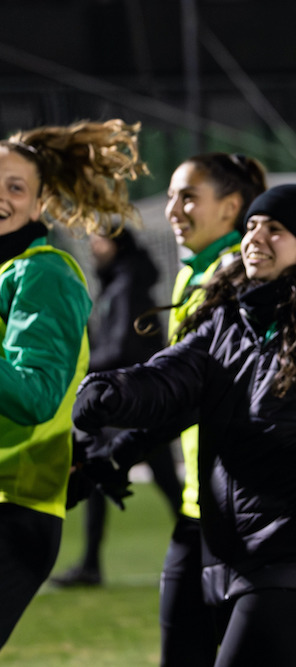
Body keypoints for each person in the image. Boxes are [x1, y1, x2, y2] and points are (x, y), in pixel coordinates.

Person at [72, 180, 296, 667]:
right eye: (251, 226)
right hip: (225, 549)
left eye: (276, 229)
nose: (255, 238)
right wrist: (111, 392)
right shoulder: (226, 319)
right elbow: (169, 380)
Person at [101, 152, 267, 666]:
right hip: (204, 506)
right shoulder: (194, 276)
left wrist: (124, 441)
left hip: (248, 513)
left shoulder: (240, 280)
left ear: (230, 207)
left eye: (188, 195)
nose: (173, 208)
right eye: (172, 195)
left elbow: (194, 393)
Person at [0, 119, 145, 649]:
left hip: (14, 508)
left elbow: (34, 394)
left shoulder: (46, 273)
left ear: (40, 204)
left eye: (15, 187)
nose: (2, 197)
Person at [50, 228, 182, 588]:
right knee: (133, 479)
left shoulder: (127, 287)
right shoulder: (119, 284)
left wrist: (81, 368)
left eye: (100, 239)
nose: (93, 246)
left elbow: (124, 348)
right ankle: (91, 564)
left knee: (146, 480)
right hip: (130, 401)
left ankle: (205, 548)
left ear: (117, 244)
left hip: (132, 402)